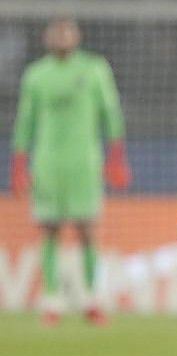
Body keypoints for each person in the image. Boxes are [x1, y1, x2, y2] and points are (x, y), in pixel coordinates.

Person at [10, 17, 130, 326]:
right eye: (56, 30)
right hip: (48, 162)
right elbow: (26, 119)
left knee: (87, 229)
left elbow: (110, 111)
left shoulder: (93, 68)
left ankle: (92, 298)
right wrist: (19, 162)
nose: (62, 35)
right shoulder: (36, 74)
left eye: (67, 30)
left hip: (84, 162)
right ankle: (52, 300)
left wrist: (116, 156)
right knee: (49, 229)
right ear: (47, 36)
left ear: (77, 35)